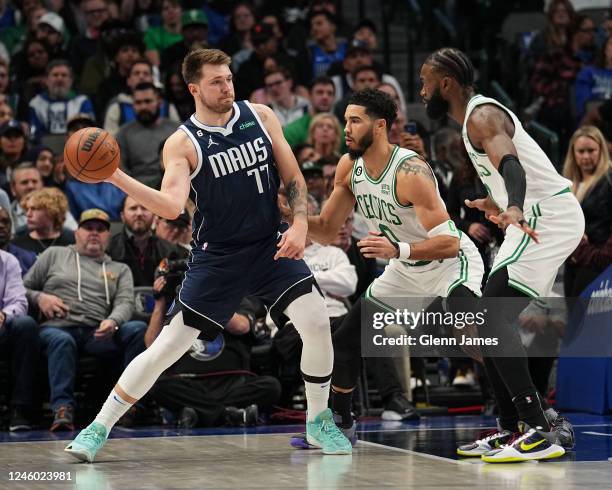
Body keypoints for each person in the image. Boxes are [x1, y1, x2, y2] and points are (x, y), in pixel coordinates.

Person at [65, 47, 352, 462]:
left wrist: (302, 224)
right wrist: (115, 175)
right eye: (217, 81)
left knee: (316, 321)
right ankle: (98, 427)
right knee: (167, 348)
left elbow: (293, 177)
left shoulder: (261, 116)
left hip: (269, 242)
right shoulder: (181, 144)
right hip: (218, 256)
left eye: (229, 77)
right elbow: (169, 206)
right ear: (194, 88)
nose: (227, 87)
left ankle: (318, 421)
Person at [420, 47, 583, 462]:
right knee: (489, 320)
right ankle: (510, 427)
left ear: (445, 84)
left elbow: (513, 165)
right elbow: (511, 168)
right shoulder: (471, 122)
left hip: (543, 216)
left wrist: (512, 204)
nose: (421, 92)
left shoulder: (482, 116)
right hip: (530, 216)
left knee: (492, 317)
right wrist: (495, 204)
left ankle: (541, 428)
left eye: (425, 82)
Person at [296, 88, 484, 447]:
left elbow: (451, 242)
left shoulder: (410, 170)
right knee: (347, 338)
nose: (346, 129)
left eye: (355, 121)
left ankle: (529, 411)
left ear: (379, 126)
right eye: (346, 120)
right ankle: (340, 422)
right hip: (405, 267)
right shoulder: (349, 166)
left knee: (471, 340)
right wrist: (295, 215)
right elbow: (326, 231)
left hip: (448, 262)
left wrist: (397, 247)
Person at [24, 208, 147, 431]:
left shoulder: (119, 269)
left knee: (137, 328)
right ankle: (62, 409)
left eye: (100, 230)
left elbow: (126, 302)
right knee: (62, 341)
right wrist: (41, 298)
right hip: (58, 328)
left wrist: (113, 321)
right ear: (77, 232)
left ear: (108, 236)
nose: (94, 233)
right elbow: (23, 288)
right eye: (88, 228)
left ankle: (127, 405)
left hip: (98, 331)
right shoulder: (54, 255)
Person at [562, 126, 612, 296]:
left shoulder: (609, 180)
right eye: (581, 151)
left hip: (596, 263)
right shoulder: (568, 183)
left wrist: (594, 253)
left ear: (601, 150)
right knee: (572, 318)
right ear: (573, 153)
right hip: (573, 261)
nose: (586, 156)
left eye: (591, 150)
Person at [108, 195, 187, 286]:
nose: (139, 213)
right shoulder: (109, 249)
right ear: (122, 216)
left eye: (145, 208)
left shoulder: (170, 251)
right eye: (133, 208)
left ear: (154, 214)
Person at [0, 248, 39, 431]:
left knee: (25, 325)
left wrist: (3, 315)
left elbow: (19, 303)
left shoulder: (8, 261)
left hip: (1, 327)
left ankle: (20, 409)